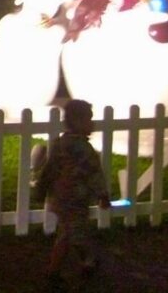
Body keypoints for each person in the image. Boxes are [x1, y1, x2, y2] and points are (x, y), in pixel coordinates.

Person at [33, 99, 110, 291]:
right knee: (75, 233)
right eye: (88, 120)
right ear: (76, 121)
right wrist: (102, 194)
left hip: (60, 197)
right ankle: (88, 260)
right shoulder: (84, 149)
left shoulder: (59, 143)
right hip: (75, 199)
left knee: (66, 234)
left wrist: (42, 188)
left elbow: (49, 168)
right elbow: (94, 173)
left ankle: (54, 269)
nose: (92, 124)